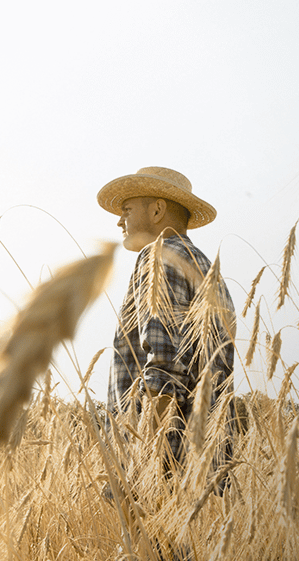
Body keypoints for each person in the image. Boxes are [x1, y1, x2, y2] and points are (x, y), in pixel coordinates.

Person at [97, 166, 236, 492]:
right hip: (200, 461)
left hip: (161, 462)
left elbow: (163, 364)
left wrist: (146, 461)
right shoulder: (202, 265)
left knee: (146, 546)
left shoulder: (158, 257)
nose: (120, 221)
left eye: (127, 210)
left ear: (157, 210)